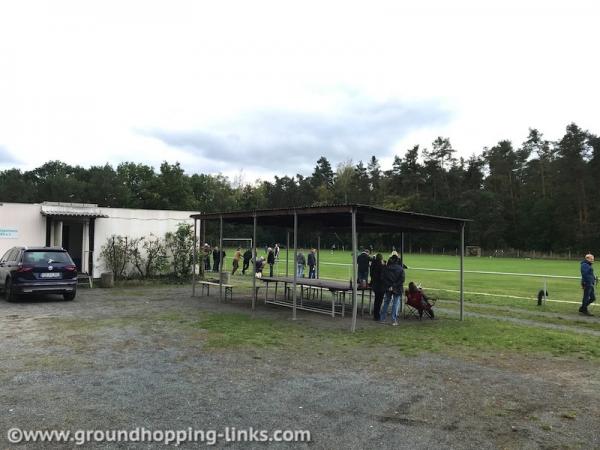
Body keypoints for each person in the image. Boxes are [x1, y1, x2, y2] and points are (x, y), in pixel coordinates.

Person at [380, 254, 405, 326]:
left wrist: (390, 285)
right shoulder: (400, 269)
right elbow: (402, 280)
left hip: (388, 287)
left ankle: (382, 318)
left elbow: (383, 278)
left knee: (386, 302)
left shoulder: (386, 268)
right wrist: (394, 285)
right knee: (395, 303)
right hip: (397, 288)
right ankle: (393, 320)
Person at [370, 253, 385, 321]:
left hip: (375, 285)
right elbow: (382, 277)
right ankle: (377, 316)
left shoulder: (373, 265)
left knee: (376, 301)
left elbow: (371, 275)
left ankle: (375, 315)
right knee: (379, 301)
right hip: (380, 286)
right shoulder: (381, 266)